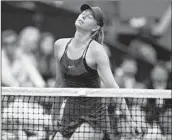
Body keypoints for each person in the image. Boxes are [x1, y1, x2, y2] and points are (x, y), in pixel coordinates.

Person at [51, 4, 142, 140]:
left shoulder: (97, 51)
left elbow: (113, 88)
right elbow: (59, 85)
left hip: (94, 117)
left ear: (95, 27)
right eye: (83, 13)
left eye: (89, 17)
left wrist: (129, 120)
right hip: (69, 113)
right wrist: (54, 114)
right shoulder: (59, 45)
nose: (83, 16)